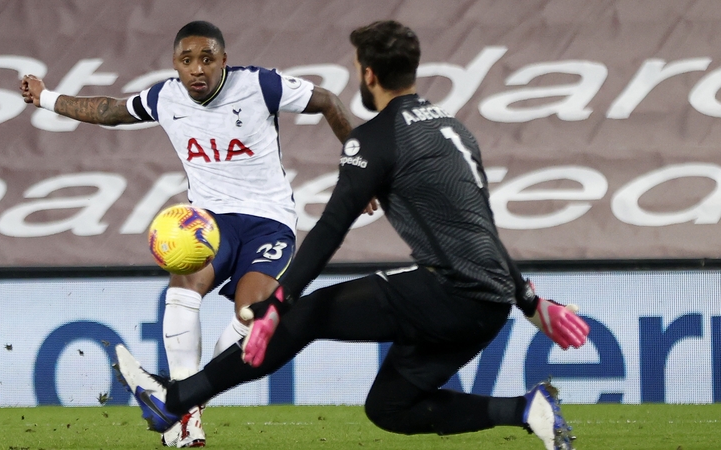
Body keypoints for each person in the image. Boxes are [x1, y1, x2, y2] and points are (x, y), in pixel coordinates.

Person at [114, 20, 590, 450]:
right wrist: (530, 302)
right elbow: (481, 226)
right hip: (490, 306)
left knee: (309, 313)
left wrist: (277, 306)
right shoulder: (454, 129)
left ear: (368, 75)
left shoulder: (376, 139)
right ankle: (527, 409)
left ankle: (174, 400)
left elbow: (327, 232)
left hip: (447, 290)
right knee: (390, 408)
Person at [20, 20, 358, 448]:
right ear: (175, 64)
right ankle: (186, 418)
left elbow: (328, 101)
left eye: (206, 59)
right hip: (209, 224)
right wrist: (46, 98)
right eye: (187, 60)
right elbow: (109, 111)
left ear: (223, 60)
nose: (197, 69)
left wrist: (356, 170)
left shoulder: (261, 86)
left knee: (252, 314)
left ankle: (180, 401)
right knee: (183, 285)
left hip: (269, 222)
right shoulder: (166, 96)